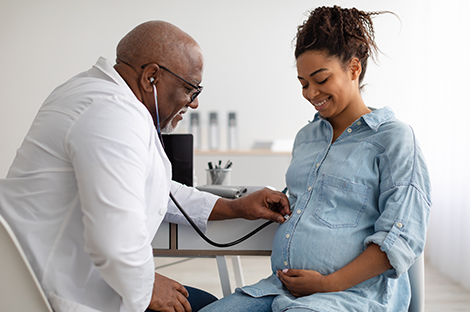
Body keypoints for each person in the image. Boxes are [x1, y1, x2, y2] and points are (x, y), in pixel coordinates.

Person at [0, 21, 290, 312]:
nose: (194, 104)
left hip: (49, 274)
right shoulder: (112, 114)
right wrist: (147, 285)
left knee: (203, 303)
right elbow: (115, 239)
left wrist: (236, 207)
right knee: (205, 307)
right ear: (151, 77)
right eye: (191, 89)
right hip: (55, 292)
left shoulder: (98, 95)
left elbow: (157, 189)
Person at [200, 5, 431, 312]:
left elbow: (401, 238)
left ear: (354, 68)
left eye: (320, 79)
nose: (311, 93)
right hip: (278, 290)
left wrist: (327, 283)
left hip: (352, 297)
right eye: (303, 83)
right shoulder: (306, 138)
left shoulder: (394, 139)